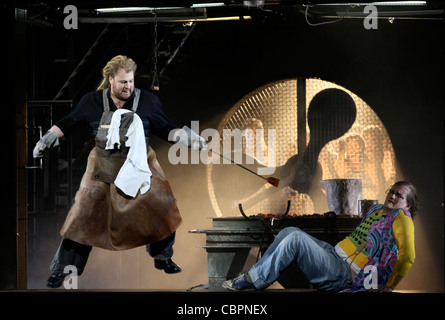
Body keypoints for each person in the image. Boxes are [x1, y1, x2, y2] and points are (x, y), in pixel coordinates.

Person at [33, 55, 206, 288]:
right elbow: (69, 122)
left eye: (131, 81)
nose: (129, 87)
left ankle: (163, 256)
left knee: (163, 203)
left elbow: (166, 129)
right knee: (83, 214)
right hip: (103, 164)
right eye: (123, 82)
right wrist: (49, 138)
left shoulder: (148, 102)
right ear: (111, 79)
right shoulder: (92, 101)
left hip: (140, 162)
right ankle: (63, 269)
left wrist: (187, 138)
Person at [223, 180, 418, 292]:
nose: (392, 196)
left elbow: (408, 256)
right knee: (289, 231)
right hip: (334, 255)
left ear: (408, 205)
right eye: (391, 191)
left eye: (399, 195)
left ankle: (252, 280)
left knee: (295, 239)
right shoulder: (376, 210)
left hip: (346, 273)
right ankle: (253, 276)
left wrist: (390, 286)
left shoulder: (401, 217)